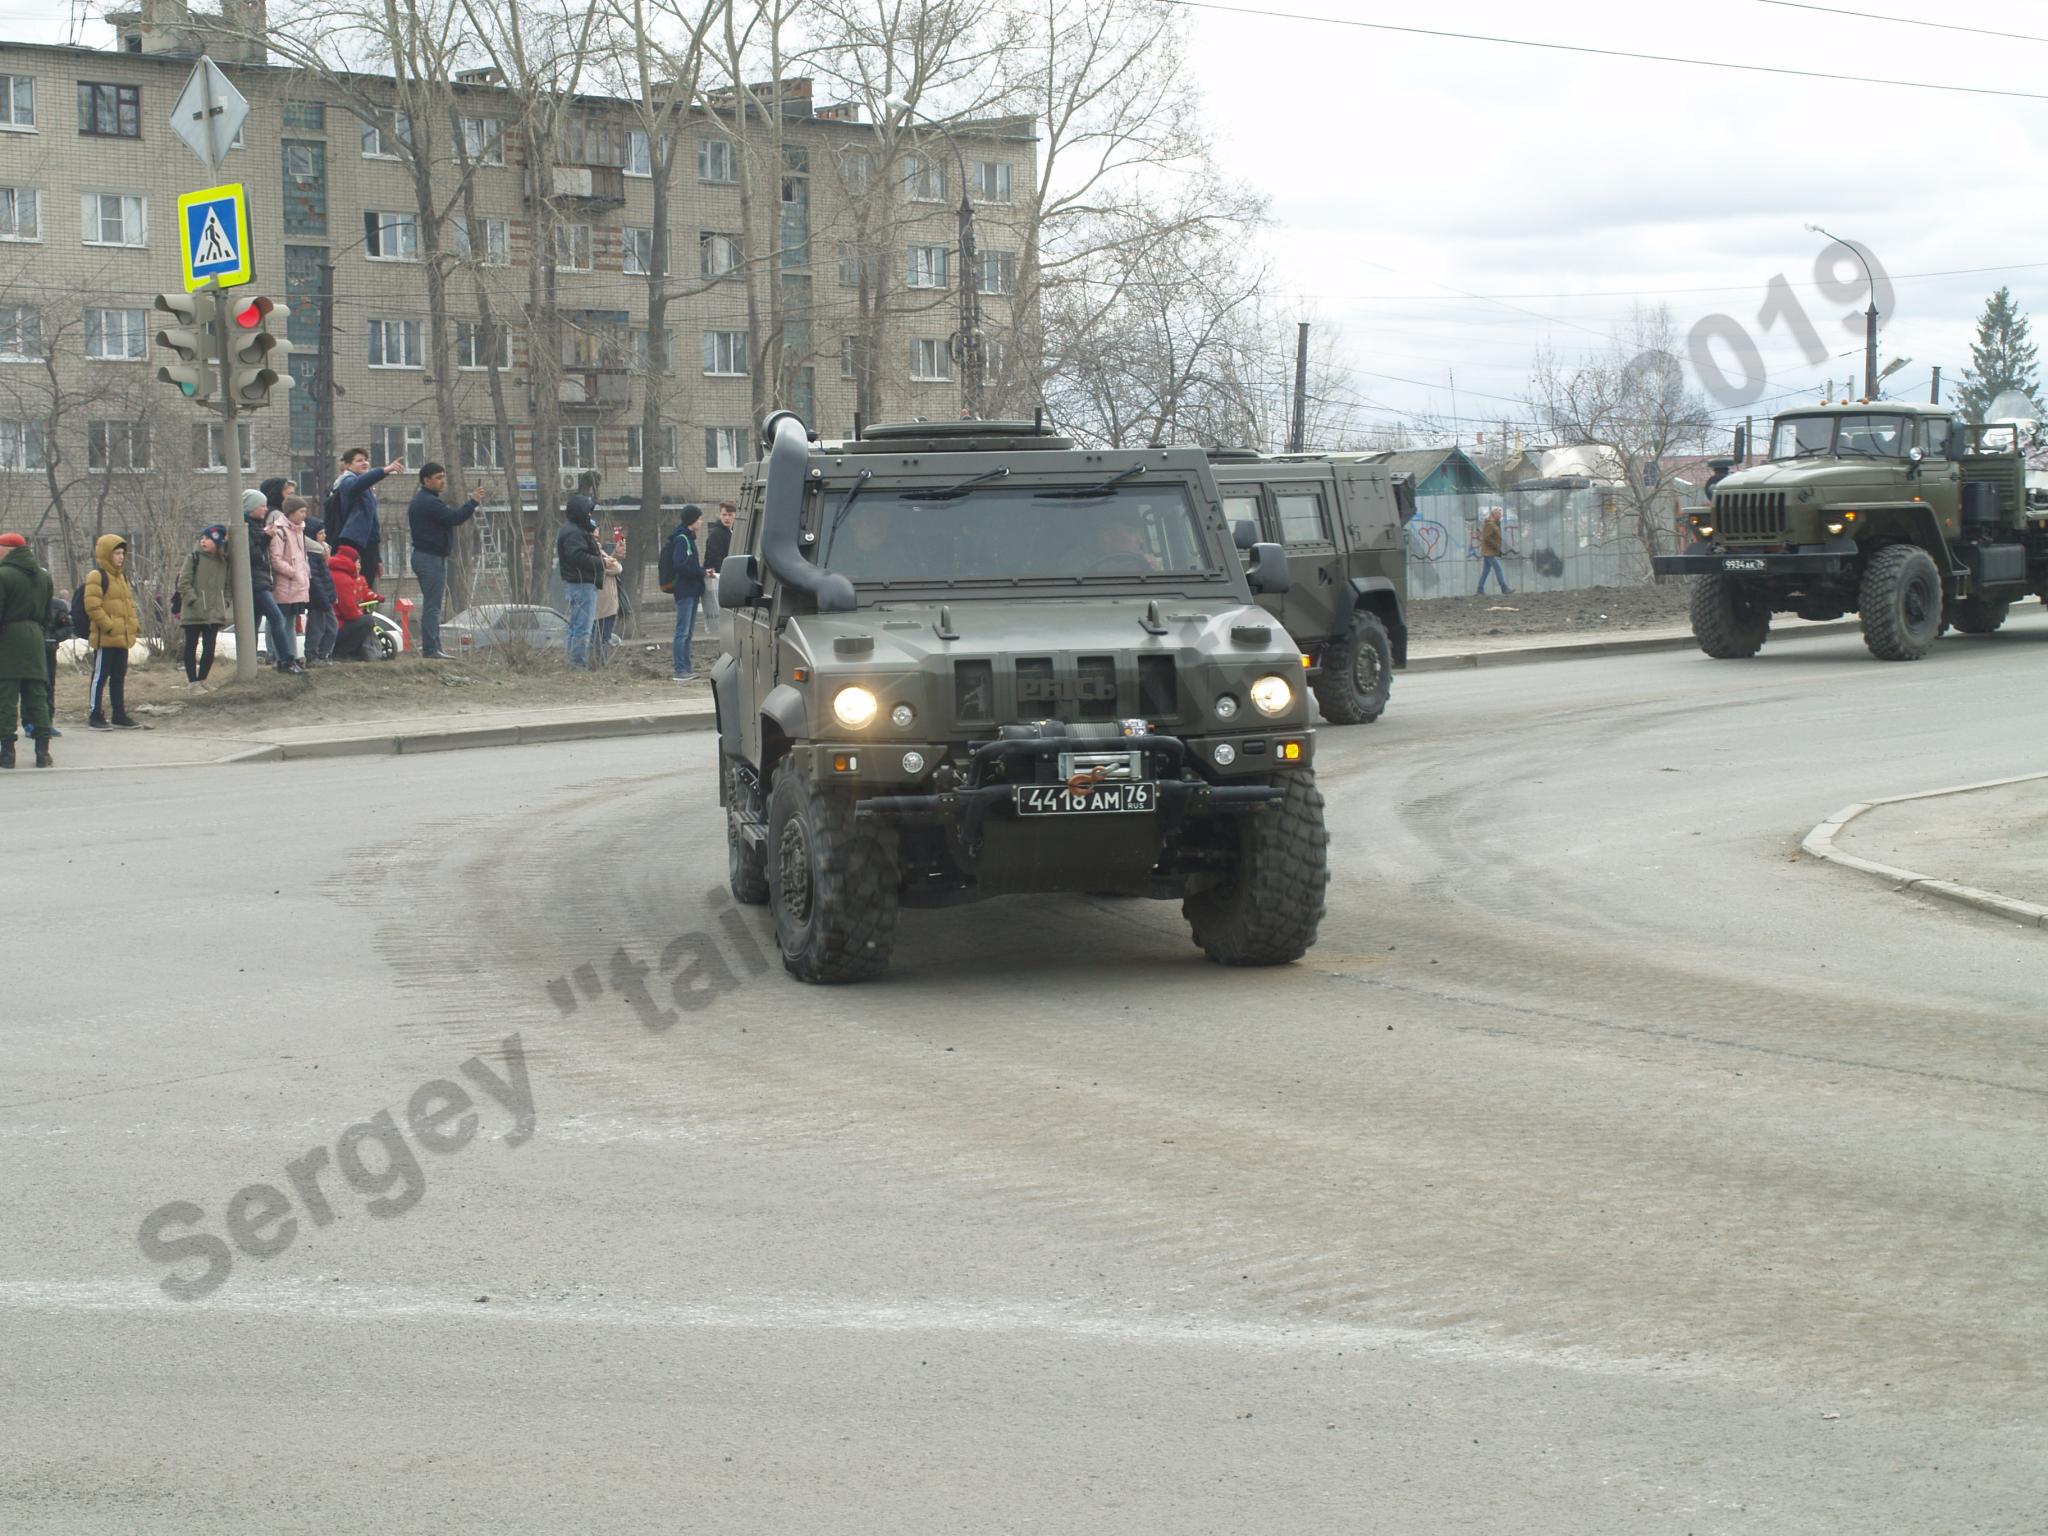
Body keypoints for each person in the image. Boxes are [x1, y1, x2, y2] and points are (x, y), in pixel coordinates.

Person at [407, 462, 484, 660]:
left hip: (427, 557)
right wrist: (473, 502)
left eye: (443, 477)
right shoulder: (430, 502)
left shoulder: (424, 500)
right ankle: (431, 650)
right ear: (426, 480)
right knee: (433, 606)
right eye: (439, 477)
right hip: (429, 558)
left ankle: (434, 647)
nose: (443, 481)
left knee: (432, 605)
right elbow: (455, 517)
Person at [0, 531, 54, 767]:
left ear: (7, 550)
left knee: (6, 697)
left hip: (8, 639)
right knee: (37, 696)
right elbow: (47, 613)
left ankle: (8, 752)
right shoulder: (43, 577)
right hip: (35, 638)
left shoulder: (3, 575)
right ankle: (43, 752)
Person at [82, 532, 141, 729]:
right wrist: (109, 626)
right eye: (116, 553)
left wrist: (133, 626)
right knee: (100, 676)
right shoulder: (97, 576)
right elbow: (92, 606)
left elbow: (128, 605)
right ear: (107, 554)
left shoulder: (121, 577)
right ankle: (95, 714)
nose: (121, 556)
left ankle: (119, 714)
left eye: (122, 553)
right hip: (106, 638)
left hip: (122, 638)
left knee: (118, 677)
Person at [237, 489, 298, 674]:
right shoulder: (244, 527)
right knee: (277, 618)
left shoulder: (255, 525)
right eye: (261, 506)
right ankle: (285, 660)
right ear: (250, 507)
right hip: (255, 583)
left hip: (260, 581)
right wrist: (267, 538)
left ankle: (250, 664)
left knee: (254, 623)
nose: (265, 509)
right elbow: (252, 556)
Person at [333, 448, 403, 587]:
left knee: (367, 588)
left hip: (368, 545)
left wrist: (377, 558)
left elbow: (372, 524)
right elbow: (359, 484)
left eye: (366, 460)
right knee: (356, 587)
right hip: (354, 543)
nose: (365, 463)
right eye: (359, 460)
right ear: (348, 465)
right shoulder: (347, 482)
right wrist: (385, 470)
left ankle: (365, 610)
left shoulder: (366, 488)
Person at [174, 524, 232, 690]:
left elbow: (228, 586)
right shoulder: (193, 558)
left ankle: (203, 680)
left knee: (209, 648)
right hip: (194, 611)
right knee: (191, 646)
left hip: (214, 612)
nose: (203, 541)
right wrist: (194, 600)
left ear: (218, 542)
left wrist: (225, 602)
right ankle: (192, 682)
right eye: (202, 538)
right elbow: (183, 583)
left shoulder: (224, 561)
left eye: (208, 538)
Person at [556, 494, 604, 670]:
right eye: (588, 512)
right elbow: (578, 557)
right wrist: (602, 562)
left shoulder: (575, 529)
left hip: (578, 583)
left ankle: (572, 663)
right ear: (580, 512)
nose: (591, 516)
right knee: (583, 628)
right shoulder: (574, 532)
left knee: (575, 626)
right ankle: (577, 664)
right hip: (582, 583)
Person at [663, 505, 706, 682]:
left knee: (687, 632)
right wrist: (699, 572)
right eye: (699, 519)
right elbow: (680, 564)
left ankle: (686, 668)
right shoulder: (682, 539)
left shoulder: (687, 537)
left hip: (691, 589)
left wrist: (701, 571)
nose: (702, 522)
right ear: (692, 521)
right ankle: (680, 669)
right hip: (685, 589)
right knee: (682, 631)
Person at [269, 496, 312, 671]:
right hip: (285, 585)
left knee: (291, 622)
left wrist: (305, 573)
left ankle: (292, 657)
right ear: (291, 512)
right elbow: (276, 559)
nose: (304, 515)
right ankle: (283, 658)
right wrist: (294, 572)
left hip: (297, 585)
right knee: (282, 622)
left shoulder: (299, 531)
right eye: (301, 511)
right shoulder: (280, 531)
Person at [327, 544, 382, 661]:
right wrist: (359, 613)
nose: (360, 566)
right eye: (358, 562)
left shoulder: (333, 572)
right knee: (367, 621)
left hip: (330, 624)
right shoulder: (344, 579)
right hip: (337, 625)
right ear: (352, 562)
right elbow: (349, 613)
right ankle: (342, 652)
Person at [303, 515, 339, 665]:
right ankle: (312, 656)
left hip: (326, 598)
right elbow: (316, 580)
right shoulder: (311, 556)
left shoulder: (321, 553)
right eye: (320, 533)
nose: (324, 536)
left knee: (332, 627)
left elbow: (326, 577)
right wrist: (324, 598)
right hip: (317, 599)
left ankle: (324, 654)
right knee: (316, 628)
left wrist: (332, 595)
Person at [700, 500, 735, 635]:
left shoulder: (732, 531)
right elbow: (713, 558)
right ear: (720, 515)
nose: (727, 518)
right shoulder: (717, 533)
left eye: (730, 515)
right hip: (720, 578)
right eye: (724, 514)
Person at [593, 533, 625, 667]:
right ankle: (600, 664)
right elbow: (616, 568)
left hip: (608, 605)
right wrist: (615, 560)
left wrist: (616, 555)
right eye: (594, 535)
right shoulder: (594, 553)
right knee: (602, 638)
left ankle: (600, 663)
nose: (597, 538)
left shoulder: (599, 551)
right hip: (603, 606)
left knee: (602, 637)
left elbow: (610, 564)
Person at [1476, 506, 1511, 596]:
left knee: (1486, 571)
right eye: (1499, 514)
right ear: (1494, 514)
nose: (1501, 515)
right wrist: (1496, 546)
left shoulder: (1494, 523)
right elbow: (1487, 538)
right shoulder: (1490, 524)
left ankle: (1480, 589)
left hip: (1489, 551)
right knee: (1498, 569)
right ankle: (1504, 588)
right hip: (1489, 552)